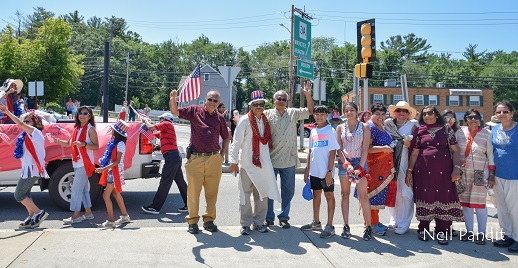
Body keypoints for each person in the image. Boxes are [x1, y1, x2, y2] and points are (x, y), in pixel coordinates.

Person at [169, 89, 229, 234]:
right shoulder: (194, 111)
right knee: (193, 192)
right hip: (195, 158)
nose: (213, 103)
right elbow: (175, 112)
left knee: (212, 192)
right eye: (210, 100)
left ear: (219, 103)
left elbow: (226, 136)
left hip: (214, 159)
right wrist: (173, 98)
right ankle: (193, 221)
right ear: (205, 100)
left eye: (216, 101)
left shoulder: (220, 118)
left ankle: (209, 220)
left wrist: (222, 154)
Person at [406, 105, 464, 245]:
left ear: (436, 115)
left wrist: (456, 168)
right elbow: (414, 153)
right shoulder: (420, 131)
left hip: (444, 171)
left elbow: (456, 150)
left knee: (443, 196)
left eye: (430, 113)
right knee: (425, 196)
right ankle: (423, 229)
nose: (426, 116)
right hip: (423, 171)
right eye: (424, 114)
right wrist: (409, 171)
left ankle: (442, 231)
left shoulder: (446, 129)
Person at [229, 90, 281, 235]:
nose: (259, 106)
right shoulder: (245, 120)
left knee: (262, 195)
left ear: (264, 105)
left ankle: (259, 222)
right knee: (244, 195)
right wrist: (233, 161)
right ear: (251, 106)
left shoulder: (265, 121)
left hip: (262, 165)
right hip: (246, 164)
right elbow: (236, 142)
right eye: (256, 104)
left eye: (261, 104)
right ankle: (245, 224)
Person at [264, 81, 314, 229]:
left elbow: (311, 111)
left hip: (289, 160)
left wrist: (308, 95)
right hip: (270, 160)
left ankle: (284, 217)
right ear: (274, 100)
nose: (281, 101)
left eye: (283, 99)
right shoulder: (266, 114)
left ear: (287, 102)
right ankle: (269, 217)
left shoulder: (293, 113)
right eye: (278, 98)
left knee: (288, 191)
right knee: (270, 191)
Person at [0, 105, 49, 228]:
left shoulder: (35, 132)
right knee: (26, 194)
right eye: (25, 120)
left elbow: (20, 124)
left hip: (33, 169)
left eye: (28, 121)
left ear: (35, 122)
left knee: (18, 195)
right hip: (28, 169)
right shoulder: (26, 136)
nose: (25, 122)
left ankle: (39, 213)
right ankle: (32, 217)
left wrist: (7, 112)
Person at [455, 109, 495, 245]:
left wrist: (491, 176)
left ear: (480, 119)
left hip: (480, 173)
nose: (473, 119)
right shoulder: (459, 132)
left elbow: (491, 156)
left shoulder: (487, 134)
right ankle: (469, 231)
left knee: (480, 204)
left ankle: (482, 233)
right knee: (465, 203)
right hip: (463, 173)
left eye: (476, 117)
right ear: (465, 119)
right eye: (470, 117)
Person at [53, 106, 99, 224]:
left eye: (85, 113)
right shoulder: (77, 129)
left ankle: (76, 215)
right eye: (80, 113)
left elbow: (96, 146)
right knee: (82, 189)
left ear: (90, 116)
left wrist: (83, 144)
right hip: (77, 162)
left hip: (85, 162)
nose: (82, 115)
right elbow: (69, 143)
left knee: (76, 189)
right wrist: (57, 141)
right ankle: (88, 213)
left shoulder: (90, 129)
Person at [301, 105, 340, 238]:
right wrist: (307, 170)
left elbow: (333, 151)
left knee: (329, 195)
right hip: (314, 172)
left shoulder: (330, 130)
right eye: (317, 114)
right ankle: (316, 222)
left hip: (326, 172)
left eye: (322, 114)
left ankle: (330, 225)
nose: (319, 117)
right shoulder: (313, 131)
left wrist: (329, 171)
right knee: (316, 195)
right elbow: (310, 151)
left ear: (327, 115)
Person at [336, 102, 373, 240]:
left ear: (357, 111)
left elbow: (365, 148)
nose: (349, 112)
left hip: (360, 162)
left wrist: (360, 167)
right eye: (347, 110)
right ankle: (346, 225)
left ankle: (368, 227)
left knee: (363, 195)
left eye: (352, 110)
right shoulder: (340, 128)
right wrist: (346, 164)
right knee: (344, 194)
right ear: (344, 113)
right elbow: (339, 149)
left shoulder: (364, 127)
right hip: (345, 163)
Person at [141, 112, 188, 214]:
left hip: (171, 158)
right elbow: (154, 134)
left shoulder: (167, 124)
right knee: (180, 182)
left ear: (164, 119)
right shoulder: (165, 129)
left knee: (165, 182)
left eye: (160, 119)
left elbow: (152, 128)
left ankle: (155, 207)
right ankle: (190, 204)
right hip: (174, 157)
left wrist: (145, 121)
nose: (160, 121)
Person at [385, 101, 419, 235]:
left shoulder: (413, 125)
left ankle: (404, 222)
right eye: (399, 110)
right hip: (389, 161)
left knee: (406, 192)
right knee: (392, 190)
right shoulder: (388, 124)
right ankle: (394, 218)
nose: (401, 113)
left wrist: (409, 142)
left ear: (408, 114)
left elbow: (418, 143)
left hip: (405, 160)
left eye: (405, 111)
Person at [363, 103, 396, 236]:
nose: (380, 116)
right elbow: (367, 148)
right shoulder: (370, 127)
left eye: (383, 114)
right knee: (371, 196)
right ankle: (371, 224)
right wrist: (384, 148)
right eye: (377, 114)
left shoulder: (381, 126)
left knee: (378, 196)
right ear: (371, 114)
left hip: (382, 168)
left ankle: (375, 221)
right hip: (373, 168)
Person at [491, 101, 518, 253]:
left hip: (515, 176)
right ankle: (507, 235)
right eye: (499, 112)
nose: (502, 114)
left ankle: (517, 237)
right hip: (498, 175)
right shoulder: (494, 129)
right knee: (502, 208)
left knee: (515, 209)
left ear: (512, 113)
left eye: (505, 111)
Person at [95, 120, 131, 228]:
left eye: (113, 130)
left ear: (116, 132)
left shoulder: (120, 144)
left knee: (106, 195)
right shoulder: (117, 142)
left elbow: (117, 161)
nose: (112, 131)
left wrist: (103, 169)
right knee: (116, 194)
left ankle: (111, 221)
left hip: (114, 172)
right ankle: (125, 216)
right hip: (113, 171)